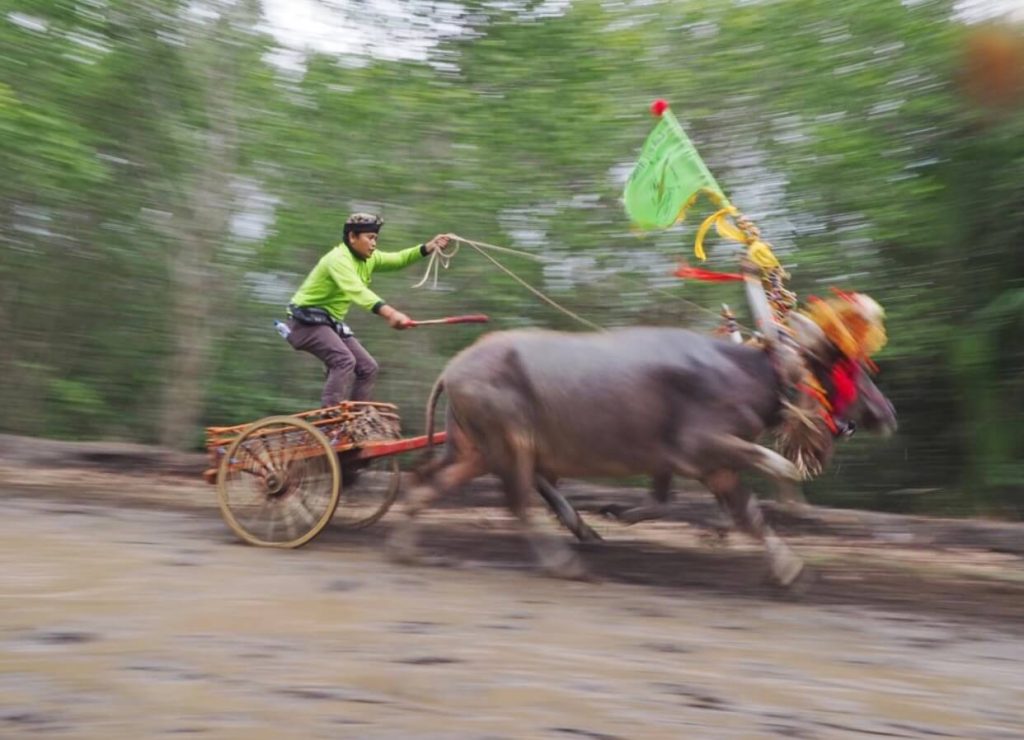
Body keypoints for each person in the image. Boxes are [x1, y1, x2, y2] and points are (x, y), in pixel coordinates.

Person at [284, 213, 450, 407]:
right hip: (304, 323)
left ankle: (358, 418)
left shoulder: (369, 258)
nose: (374, 244)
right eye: (370, 238)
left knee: (368, 368)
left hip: (329, 324)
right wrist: (391, 313)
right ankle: (330, 416)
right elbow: (358, 291)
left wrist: (428, 247)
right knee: (344, 360)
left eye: (375, 238)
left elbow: (398, 259)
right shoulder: (338, 259)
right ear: (352, 237)